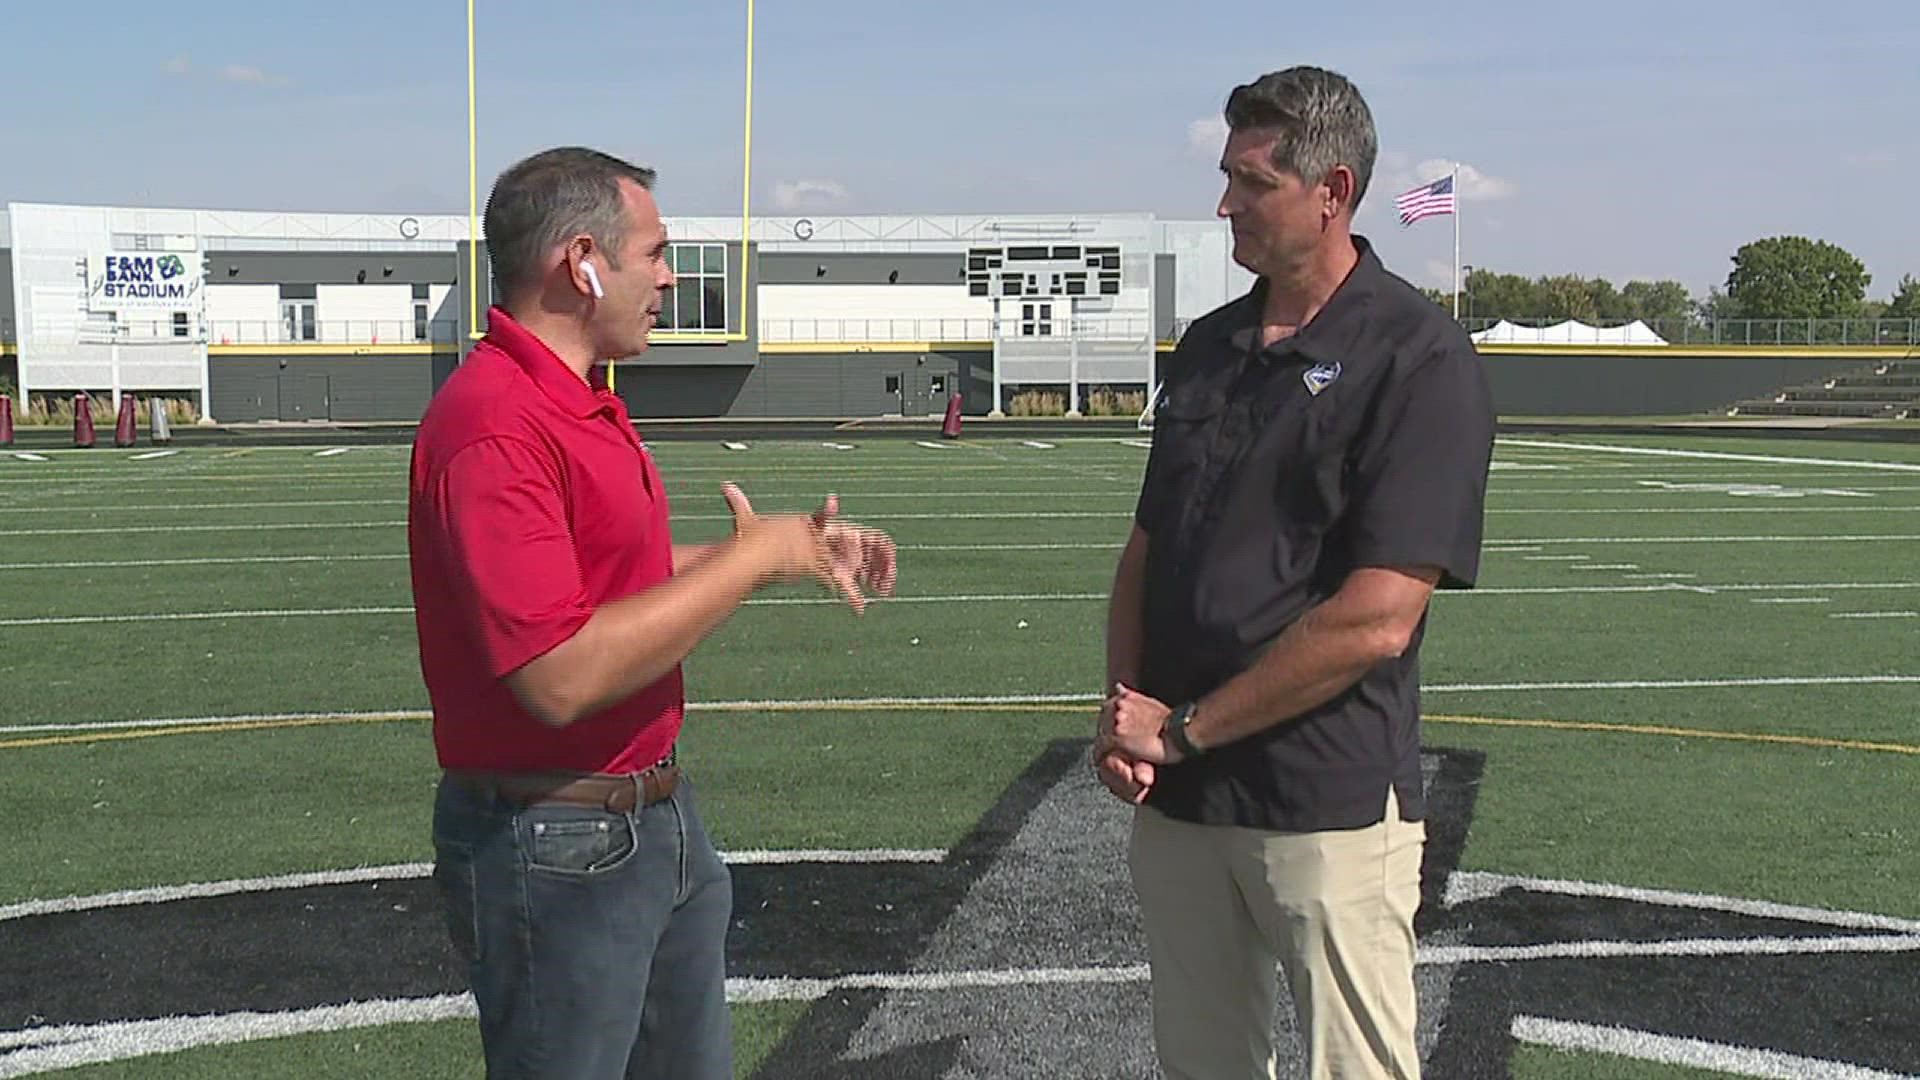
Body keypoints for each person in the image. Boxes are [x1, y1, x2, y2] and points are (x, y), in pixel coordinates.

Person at [407, 146, 898, 1080]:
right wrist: (752, 562)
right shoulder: (496, 422)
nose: (669, 277)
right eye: (656, 252)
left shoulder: (576, 401)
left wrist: (767, 556)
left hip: (648, 823)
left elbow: (597, 581)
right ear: (582, 263)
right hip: (558, 842)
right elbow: (558, 675)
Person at [1092, 67, 1494, 1080]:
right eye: (1226, 175)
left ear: (1333, 190)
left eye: (1253, 181)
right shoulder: (1212, 346)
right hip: (1181, 802)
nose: (1225, 202)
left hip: (1324, 802)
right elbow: (1148, 549)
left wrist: (1181, 730)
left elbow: (1377, 619)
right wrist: (1126, 713)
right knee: (1202, 1063)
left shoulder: (1419, 357)